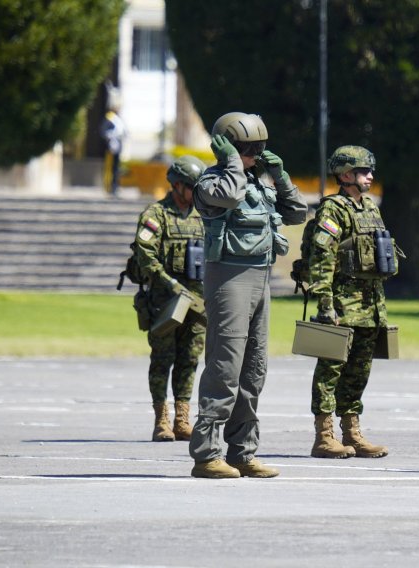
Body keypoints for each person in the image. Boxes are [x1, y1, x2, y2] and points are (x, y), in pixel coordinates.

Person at [188, 112, 307, 479]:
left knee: (253, 370)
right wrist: (232, 164)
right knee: (225, 367)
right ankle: (207, 454)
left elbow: (298, 212)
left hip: (261, 278)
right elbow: (228, 196)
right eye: (247, 148)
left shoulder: (262, 180)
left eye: (259, 147)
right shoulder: (212, 181)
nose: (255, 154)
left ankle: (242, 452)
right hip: (228, 278)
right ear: (226, 148)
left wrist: (282, 177)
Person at [307, 145, 396, 459]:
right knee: (331, 370)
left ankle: (352, 432)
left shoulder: (371, 208)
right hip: (342, 304)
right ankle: (324, 435)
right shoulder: (333, 209)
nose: (370, 176)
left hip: (371, 306)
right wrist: (324, 303)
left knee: (360, 371)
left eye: (370, 171)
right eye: (363, 171)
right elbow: (322, 257)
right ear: (345, 175)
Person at [133, 156, 207, 442]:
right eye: (192, 187)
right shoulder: (156, 215)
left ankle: (182, 418)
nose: (196, 193)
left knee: (189, 358)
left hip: (197, 301)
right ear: (177, 186)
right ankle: (161, 419)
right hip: (165, 300)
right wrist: (170, 283)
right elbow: (145, 254)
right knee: (163, 359)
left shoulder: (204, 217)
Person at [100, 104, 126, 196]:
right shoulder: (110, 117)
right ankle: (109, 187)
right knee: (109, 167)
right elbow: (104, 131)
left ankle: (115, 186)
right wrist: (110, 137)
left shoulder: (119, 119)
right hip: (110, 146)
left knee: (116, 168)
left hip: (118, 146)